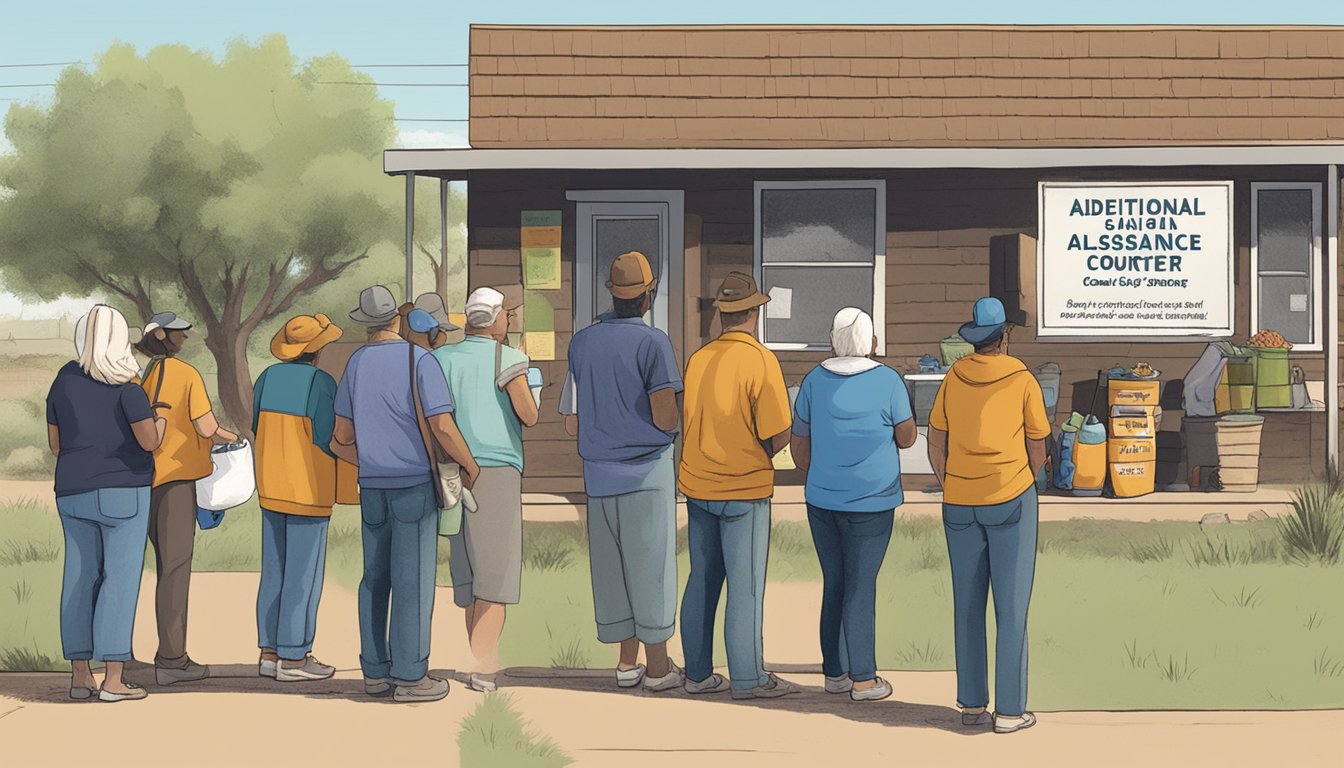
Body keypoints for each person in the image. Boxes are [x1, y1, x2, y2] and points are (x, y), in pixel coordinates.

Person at [332, 285, 481, 703]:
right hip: (414, 483)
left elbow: (339, 437)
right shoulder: (421, 360)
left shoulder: (356, 363)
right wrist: (469, 466)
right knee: (413, 580)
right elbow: (443, 427)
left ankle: (375, 673)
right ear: (397, 319)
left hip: (372, 487)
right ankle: (411, 677)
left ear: (364, 324)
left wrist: (371, 459)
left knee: (374, 579)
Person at [559, 251, 684, 692]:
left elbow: (571, 418)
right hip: (646, 471)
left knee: (612, 571)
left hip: (597, 472)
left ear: (613, 294)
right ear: (648, 295)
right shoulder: (654, 343)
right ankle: (657, 668)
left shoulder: (581, 342)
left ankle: (625, 663)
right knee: (650, 567)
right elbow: (666, 415)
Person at [927, 297, 1050, 735]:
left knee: (967, 604)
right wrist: (1023, 479)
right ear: (1005, 336)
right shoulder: (1022, 380)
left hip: (959, 499)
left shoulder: (952, 379)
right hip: (1011, 495)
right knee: (1012, 607)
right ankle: (1011, 711)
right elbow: (1039, 442)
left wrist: (951, 481)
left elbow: (935, 441)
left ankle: (973, 706)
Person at [678, 273, 797, 699]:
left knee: (702, 580)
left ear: (722, 314)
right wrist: (765, 448)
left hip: (697, 483)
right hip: (744, 487)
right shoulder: (761, 360)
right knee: (744, 586)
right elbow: (779, 431)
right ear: (754, 312)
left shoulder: (698, 359)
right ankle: (747, 678)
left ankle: (696, 673)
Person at [791, 308, 916, 703]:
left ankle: (835, 672)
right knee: (861, 587)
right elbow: (908, 437)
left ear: (833, 340)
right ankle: (863, 679)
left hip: (822, 499)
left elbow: (800, 446)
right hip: (872, 501)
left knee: (836, 582)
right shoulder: (889, 381)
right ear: (871, 343)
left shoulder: (813, 380)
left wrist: (823, 473)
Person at [47, 305, 166, 702]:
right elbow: (149, 441)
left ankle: (80, 676)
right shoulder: (128, 389)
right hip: (123, 491)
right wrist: (161, 423)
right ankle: (113, 679)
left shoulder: (63, 382)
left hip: (71, 490)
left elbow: (56, 445)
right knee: (119, 580)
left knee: (80, 578)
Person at [429, 288, 538, 693]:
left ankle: (475, 658)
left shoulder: (440, 359)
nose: (508, 320)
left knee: (470, 572)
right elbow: (529, 414)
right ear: (494, 320)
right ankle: (483, 667)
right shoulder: (509, 359)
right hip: (496, 471)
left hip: (452, 470)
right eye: (506, 315)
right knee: (496, 574)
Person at [135, 311, 239, 686]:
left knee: (141, 569)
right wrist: (236, 438)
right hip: (176, 482)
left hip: (142, 482)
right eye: (179, 333)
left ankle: (121, 655)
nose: (184, 337)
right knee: (175, 571)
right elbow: (206, 427)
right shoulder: (184, 375)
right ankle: (172, 659)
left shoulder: (141, 376)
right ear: (165, 337)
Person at [253, 313, 350, 683]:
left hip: (270, 487)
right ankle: (294, 658)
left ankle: (269, 651)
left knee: (274, 571)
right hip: (309, 489)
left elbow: (256, 425)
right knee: (303, 576)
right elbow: (329, 437)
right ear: (318, 349)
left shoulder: (265, 378)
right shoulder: (321, 383)